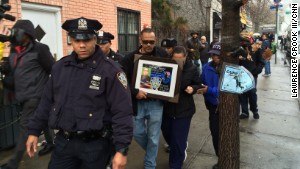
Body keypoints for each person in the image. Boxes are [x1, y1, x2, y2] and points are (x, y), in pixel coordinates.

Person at [25, 17, 133, 169]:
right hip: (64, 142)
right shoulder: (60, 67)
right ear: (71, 40)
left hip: (95, 146)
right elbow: (46, 102)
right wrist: (34, 131)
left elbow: (122, 112)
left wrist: (122, 149)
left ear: (94, 39)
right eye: (76, 40)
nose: (82, 45)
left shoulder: (111, 70)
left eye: (87, 40)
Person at [0, 20, 55, 169]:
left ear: (28, 35)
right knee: (43, 120)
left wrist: (51, 92)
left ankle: (13, 164)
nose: (15, 34)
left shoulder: (40, 49)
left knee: (25, 128)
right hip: (21, 95)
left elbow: (53, 70)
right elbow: (14, 70)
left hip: (36, 96)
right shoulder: (14, 50)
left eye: (19, 32)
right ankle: (51, 143)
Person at [121, 28, 168, 169]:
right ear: (140, 40)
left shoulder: (162, 54)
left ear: (155, 41)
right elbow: (122, 82)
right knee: (137, 133)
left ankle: (150, 165)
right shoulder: (129, 58)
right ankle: (151, 154)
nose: (149, 44)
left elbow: (170, 74)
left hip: (155, 103)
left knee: (154, 138)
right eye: (146, 41)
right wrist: (135, 92)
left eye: (152, 42)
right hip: (137, 103)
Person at [161, 46, 201, 169]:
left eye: (180, 59)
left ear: (185, 57)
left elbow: (198, 84)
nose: (178, 61)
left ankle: (175, 164)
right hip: (167, 107)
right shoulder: (165, 66)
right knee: (168, 134)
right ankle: (181, 146)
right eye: (175, 59)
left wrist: (193, 88)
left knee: (178, 140)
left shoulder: (192, 68)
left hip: (184, 109)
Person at [197, 42, 221, 169]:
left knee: (224, 134)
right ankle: (220, 158)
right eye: (213, 55)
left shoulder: (228, 69)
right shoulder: (206, 67)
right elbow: (201, 81)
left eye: (217, 55)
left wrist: (209, 90)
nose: (215, 57)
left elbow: (227, 92)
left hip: (224, 107)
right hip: (212, 106)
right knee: (215, 133)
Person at [239, 41, 265, 119]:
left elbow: (261, 62)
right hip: (242, 74)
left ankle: (254, 110)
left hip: (252, 75)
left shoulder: (256, 49)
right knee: (243, 93)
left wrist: (256, 71)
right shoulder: (240, 49)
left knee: (252, 93)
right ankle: (244, 112)